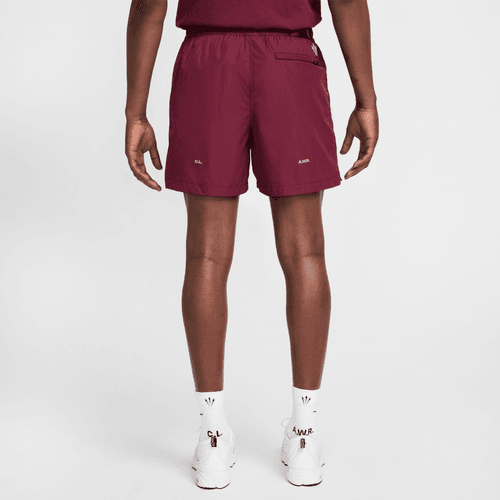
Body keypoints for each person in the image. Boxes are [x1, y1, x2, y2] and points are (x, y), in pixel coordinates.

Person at [125, 0, 379, 490]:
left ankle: (212, 437)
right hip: (290, 64)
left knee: (205, 254)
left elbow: (149, 4)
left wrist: (136, 111)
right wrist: (365, 100)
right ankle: (304, 434)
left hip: (208, 65)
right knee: (306, 252)